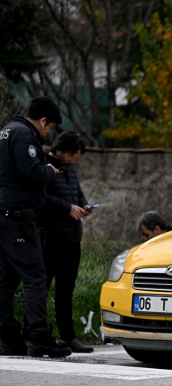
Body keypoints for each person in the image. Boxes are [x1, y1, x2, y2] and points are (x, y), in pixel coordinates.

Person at [0, 97, 71, 357]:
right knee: (35, 278)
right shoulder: (24, 136)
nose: (47, 133)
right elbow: (29, 171)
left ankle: (9, 339)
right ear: (42, 121)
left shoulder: (5, 131)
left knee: (5, 282)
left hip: (3, 215)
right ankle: (39, 339)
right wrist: (50, 171)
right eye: (49, 127)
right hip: (18, 218)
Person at [37, 130, 94, 353]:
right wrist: (67, 208)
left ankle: (68, 336)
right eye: (71, 155)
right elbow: (41, 197)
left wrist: (84, 206)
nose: (73, 160)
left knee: (66, 289)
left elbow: (78, 194)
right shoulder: (43, 165)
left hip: (72, 236)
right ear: (58, 150)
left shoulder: (71, 169)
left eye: (76, 156)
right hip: (50, 235)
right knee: (42, 285)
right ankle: (34, 332)